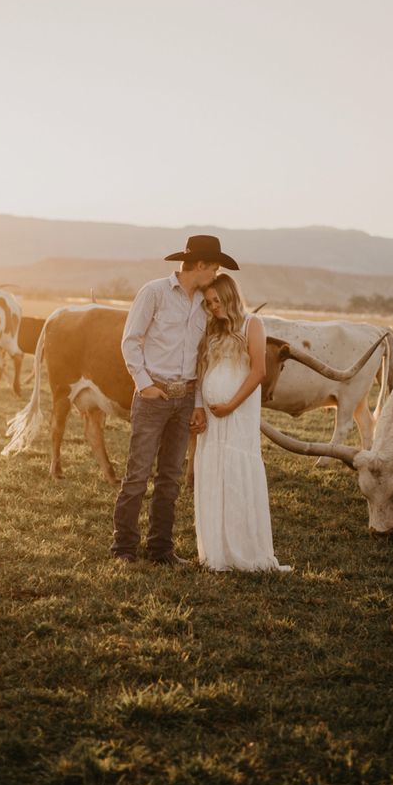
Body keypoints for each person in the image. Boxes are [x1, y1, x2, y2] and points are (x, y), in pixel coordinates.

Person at [111, 235, 240, 565]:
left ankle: (160, 550)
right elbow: (131, 342)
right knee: (138, 474)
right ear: (200, 265)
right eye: (213, 268)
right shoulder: (153, 292)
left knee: (170, 477)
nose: (215, 276)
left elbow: (200, 359)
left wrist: (196, 403)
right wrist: (144, 385)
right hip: (154, 395)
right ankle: (123, 548)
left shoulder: (203, 304)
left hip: (184, 399)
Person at [194, 273, 291, 572]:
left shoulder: (253, 324)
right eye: (209, 303)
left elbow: (259, 371)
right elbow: (202, 369)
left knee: (235, 474)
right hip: (213, 415)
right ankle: (216, 551)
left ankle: (243, 548)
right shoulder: (213, 328)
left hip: (238, 413)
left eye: (217, 301)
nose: (213, 307)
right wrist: (201, 405)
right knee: (212, 472)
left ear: (231, 297)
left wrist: (231, 405)